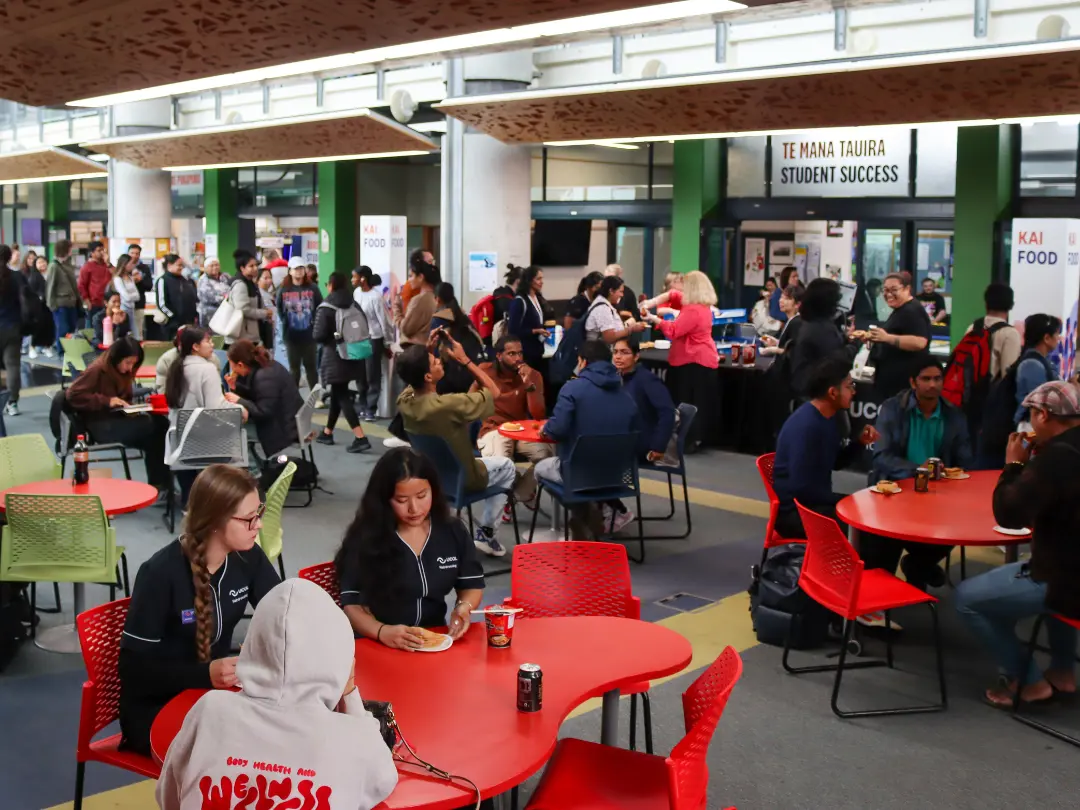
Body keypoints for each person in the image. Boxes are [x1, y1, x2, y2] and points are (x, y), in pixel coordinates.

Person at [156, 578, 397, 810]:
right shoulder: (354, 737)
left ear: (250, 646)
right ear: (341, 660)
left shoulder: (209, 711)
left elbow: (169, 795)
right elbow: (382, 780)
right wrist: (349, 692)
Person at [118, 465, 280, 755]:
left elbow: (283, 614)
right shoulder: (159, 573)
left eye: (260, 513)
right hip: (156, 709)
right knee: (253, 748)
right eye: (249, 518)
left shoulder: (248, 557)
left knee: (283, 731)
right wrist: (204, 675)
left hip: (212, 697)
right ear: (215, 520)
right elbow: (133, 672)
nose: (259, 525)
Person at [955, 380, 1080, 709]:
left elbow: (1009, 515)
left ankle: (1028, 681)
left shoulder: (1056, 459)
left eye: (1031, 414)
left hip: (1064, 581)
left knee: (966, 598)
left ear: (1043, 415)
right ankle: (1063, 672)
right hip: (1072, 568)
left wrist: (1013, 464)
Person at [336, 447, 485, 646]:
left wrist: (464, 606)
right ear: (384, 499)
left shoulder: (451, 530)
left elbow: (471, 584)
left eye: (422, 496)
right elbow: (351, 604)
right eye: (401, 500)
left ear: (433, 490)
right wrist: (382, 632)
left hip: (430, 637)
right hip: (376, 640)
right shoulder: (366, 537)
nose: (414, 509)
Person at [396, 336, 516, 557]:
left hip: (430, 478)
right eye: (435, 361)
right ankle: (487, 533)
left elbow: (412, 381)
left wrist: (425, 352)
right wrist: (465, 361)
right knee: (507, 466)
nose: (440, 361)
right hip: (464, 479)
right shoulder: (448, 405)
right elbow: (494, 392)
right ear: (428, 376)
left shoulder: (405, 402)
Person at [865, 357, 972, 591]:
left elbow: (964, 461)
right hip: (895, 491)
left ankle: (918, 565)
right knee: (884, 542)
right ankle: (905, 576)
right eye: (926, 379)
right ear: (913, 382)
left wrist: (951, 474)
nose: (932, 384)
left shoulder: (954, 415)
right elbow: (881, 457)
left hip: (939, 496)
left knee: (960, 525)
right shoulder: (893, 409)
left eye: (937, 379)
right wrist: (918, 470)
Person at [536, 340, 640, 539]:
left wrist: (545, 429)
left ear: (582, 361)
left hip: (578, 473)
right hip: (617, 476)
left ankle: (584, 515)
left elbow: (557, 429)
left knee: (540, 469)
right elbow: (635, 433)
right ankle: (601, 512)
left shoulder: (572, 389)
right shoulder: (626, 395)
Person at [772, 356, 878, 538]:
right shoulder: (807, 426)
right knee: (867, 532)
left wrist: (860, 443)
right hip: (796, 513)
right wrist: (846, 500)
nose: (854, 391)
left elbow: (835, 462)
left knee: (870, 522)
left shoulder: (827, 418)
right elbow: (802, 489)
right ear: (832, 392)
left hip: (813, 504)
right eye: (849, 386)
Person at [65, 337, 169, 494]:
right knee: (158, 427)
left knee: (158, 434)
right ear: (117, 358)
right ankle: (160, 485)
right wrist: (107, 401)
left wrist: (128, 407)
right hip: (101, 425)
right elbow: (73, 395)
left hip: (114, 419)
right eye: (127, 363)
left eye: (133, 363)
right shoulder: (97, 370)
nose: (130, 368)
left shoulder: (119, 371)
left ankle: (160, 486)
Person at [164, 326, 246, 503]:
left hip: (177, 441)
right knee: (238, 433)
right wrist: (241, 409)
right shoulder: (207, 369)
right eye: (208, 341)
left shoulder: (176, 366)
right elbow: (216, 408)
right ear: (195, 346)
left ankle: (188, 500)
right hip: (204, 442)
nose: (212, 345)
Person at [642, 270, 719, 454]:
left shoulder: (692, 310)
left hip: (692, 360)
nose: (681, 287)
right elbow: (672, 294)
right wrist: (651, 302)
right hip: (701, 358)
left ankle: (688, 440)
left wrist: (654, 318)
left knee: (687, 402)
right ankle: (692, 439)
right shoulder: (702, 305)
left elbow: (674, 331)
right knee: (697, 402)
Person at [475, 335, 552, 514]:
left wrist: (529, 385)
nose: (518, 358)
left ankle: (518, 494)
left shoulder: (533, 375)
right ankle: (512, 491)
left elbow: (538, 415)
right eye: (511, 354)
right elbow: (469, 400)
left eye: (520, 353)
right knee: (501, 464)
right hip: (493, 428)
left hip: (521, 429)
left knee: (548, 457)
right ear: (499, 356)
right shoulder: (485, 371)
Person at [611, 337, 677, 531]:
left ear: (636, 356)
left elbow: (667, 412)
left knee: (594, 458)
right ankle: (604, 509)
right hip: (624, 438)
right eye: (615, 352)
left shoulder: (646, 379)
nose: (618, 357)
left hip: (643, 444)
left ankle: (617, 510)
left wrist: (658, 446)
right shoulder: (617, 377)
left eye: (624, 352)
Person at [312, 272, 372, 453]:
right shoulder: (353, 303)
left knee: (342, 395)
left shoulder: (326, 307)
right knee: (338, 393)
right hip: (353, 354)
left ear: (330, 285)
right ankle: (327, 432)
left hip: (335, 356)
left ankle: (360, 437)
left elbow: (318, 335)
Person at [226, 339, 303, 458]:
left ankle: (254, 467)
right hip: (287, 418)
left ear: (240, 364)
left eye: (231, 364)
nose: (232, 370)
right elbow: (258, 394)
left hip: (284, 428)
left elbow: (263, 412)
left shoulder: (264, 376)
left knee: (237, 430)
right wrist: (235, 388)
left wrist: (239, 400)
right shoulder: (265, 365)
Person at [788, 278, 859, 399]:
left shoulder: (812, 322)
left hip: (808, 389)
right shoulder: (820, 328)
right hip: (815, 393)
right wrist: (855, 344)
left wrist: (846, 339)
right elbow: (838, 360)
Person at [865, 271, 932, 399]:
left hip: (903, 388)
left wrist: (887, 338)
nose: (889, 294)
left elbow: (920, 342)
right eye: (885, 290)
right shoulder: (900, 310)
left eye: (894, 290)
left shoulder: (911, 311)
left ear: (907, 289)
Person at [430, 281, 486, 394]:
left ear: (437, 299)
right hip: (469, 374)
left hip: (447, 378)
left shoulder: (437, 321)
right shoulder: (463, 318)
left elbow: (434, 351)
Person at [276, 259, 323, 391]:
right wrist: (287, 322)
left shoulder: (313, 288)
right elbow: (279, 309)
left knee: (311, 368)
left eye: (301, 268)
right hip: (291, 336)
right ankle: (294, 397)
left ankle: (315, 396)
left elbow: (319, 307)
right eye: (296, 268)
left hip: (310, 335)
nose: (299, 271)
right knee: (294, 369)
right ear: (290, 271)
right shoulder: (284, 289)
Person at [352, 266, 392, 420]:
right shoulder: (356, 293)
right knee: (359, 375)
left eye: (354, 276)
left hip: (373, 338)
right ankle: (362, 405)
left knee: (372, 375)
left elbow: (384, 321)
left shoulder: (376, 297)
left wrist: (387, 343)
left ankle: (371, 409)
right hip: (358, 338)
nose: (352, 280)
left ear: (363, 278)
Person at [1014, 314, 1063, 426]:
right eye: (1057, 334)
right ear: (1047, 338)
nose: (1059, 338)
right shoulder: (1032, 365)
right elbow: (1040, 404)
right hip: (1032, 426)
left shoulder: (1043, 361)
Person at [973, 282, 1022, 382]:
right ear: (1011, 305)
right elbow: (1008, 376)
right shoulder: (1010, 334)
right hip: (991, 390)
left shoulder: (972, 328)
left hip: (967, 389)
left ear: (986, 303)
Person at [507, 265, 552, 372]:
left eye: (542, 278)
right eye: (538, 279)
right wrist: (535, 331)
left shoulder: (538, 298)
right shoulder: (520, 301)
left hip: (538, 350)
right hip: (525, 353)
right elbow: (513, 330)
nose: (541, 282)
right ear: (530, 280)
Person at [224, 249, 273, 347]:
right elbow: (243, 309)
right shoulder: (240, 285)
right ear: (242, 268)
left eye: (256, 265)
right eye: (251, 266)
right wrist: (264, 313)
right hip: (242, 337)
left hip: (249, 335)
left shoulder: (250, 283)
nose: (255, 268)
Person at [584, 275, 647, 344]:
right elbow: (609, 338)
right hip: (598, 350)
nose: (622, 295)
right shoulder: (602, 309)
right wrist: (631, 329)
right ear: (611, 291)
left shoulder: (605, 305)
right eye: (620, 291)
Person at [0, 245, 25, 417]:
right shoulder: (16, 277)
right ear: (10, 257)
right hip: (13, 327)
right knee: (13, 366)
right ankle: (12, 402)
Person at [46, 239, 80, 356]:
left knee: (71, 329)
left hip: (72, 303)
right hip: (60, 304)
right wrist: (52, 305)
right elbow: (50, 287)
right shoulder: (54, 266)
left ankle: (70, 352)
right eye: (70, 248)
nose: (71, 250)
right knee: (63, 329)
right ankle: (62, 352)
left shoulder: (68, 264)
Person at [153, 254, 198, 340]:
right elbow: (162, 304)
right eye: (179, 265)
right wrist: (173, 317)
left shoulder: (185, 280)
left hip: (188, 323)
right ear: (169, 265)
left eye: (182, 265)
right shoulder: (163, 280)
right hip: (173, 325)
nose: (181, 268)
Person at [397, 258, 438, 347]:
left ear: (420, 277)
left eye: (411, 276)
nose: (409, 280)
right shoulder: (436, 297)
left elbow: (405, 329)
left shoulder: (418, 300)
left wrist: (396, 306)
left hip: (416, 349)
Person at [25, 255, 54, 359]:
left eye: (43, 261)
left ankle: (47, 347)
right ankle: (32, 348)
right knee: (37, 328)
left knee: (49, 327)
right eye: (39, 262)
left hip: (49, 306)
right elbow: (30, 292)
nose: (42, 264)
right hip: (38, 307)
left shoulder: (50, 274)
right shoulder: (34, 276)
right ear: (35, 265)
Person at [78, 240, 111, 322]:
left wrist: (108, 263)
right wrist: (87, 301)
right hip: (94, 303)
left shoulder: (107, 265)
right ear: (92, 253)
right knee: (94, 326)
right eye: (99, 250)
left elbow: (116, 275)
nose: (102, 253)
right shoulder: (87, 266)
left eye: (103, 250)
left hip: (108, 302)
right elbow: (81, 285)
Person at [195, 257, 231, 330]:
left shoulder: (225, 276)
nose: (215, 267)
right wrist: (227, 297)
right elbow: (209, 298)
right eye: (211, 266)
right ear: (205, 268)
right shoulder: (203, 280)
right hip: (209, 315)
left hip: (226, 313)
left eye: (217, 265)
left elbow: (233, 288)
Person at [112, 256, 142, 339]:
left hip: (132, 308)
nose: (133, 265)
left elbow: (138, 296)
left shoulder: (130, 278)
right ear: (124, 264)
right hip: (123, 309)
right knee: (125, 333)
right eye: (131, 263)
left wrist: (130, 295)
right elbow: (126, 297)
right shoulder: (118, 279)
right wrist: (132, 295)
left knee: (136, 334)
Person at [256, 267, 276, 349]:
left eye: (270, 277)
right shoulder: (259, 295)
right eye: (265, 278)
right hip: (265, 332)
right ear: (258, 280)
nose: (269, 280)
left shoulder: (269, 294)